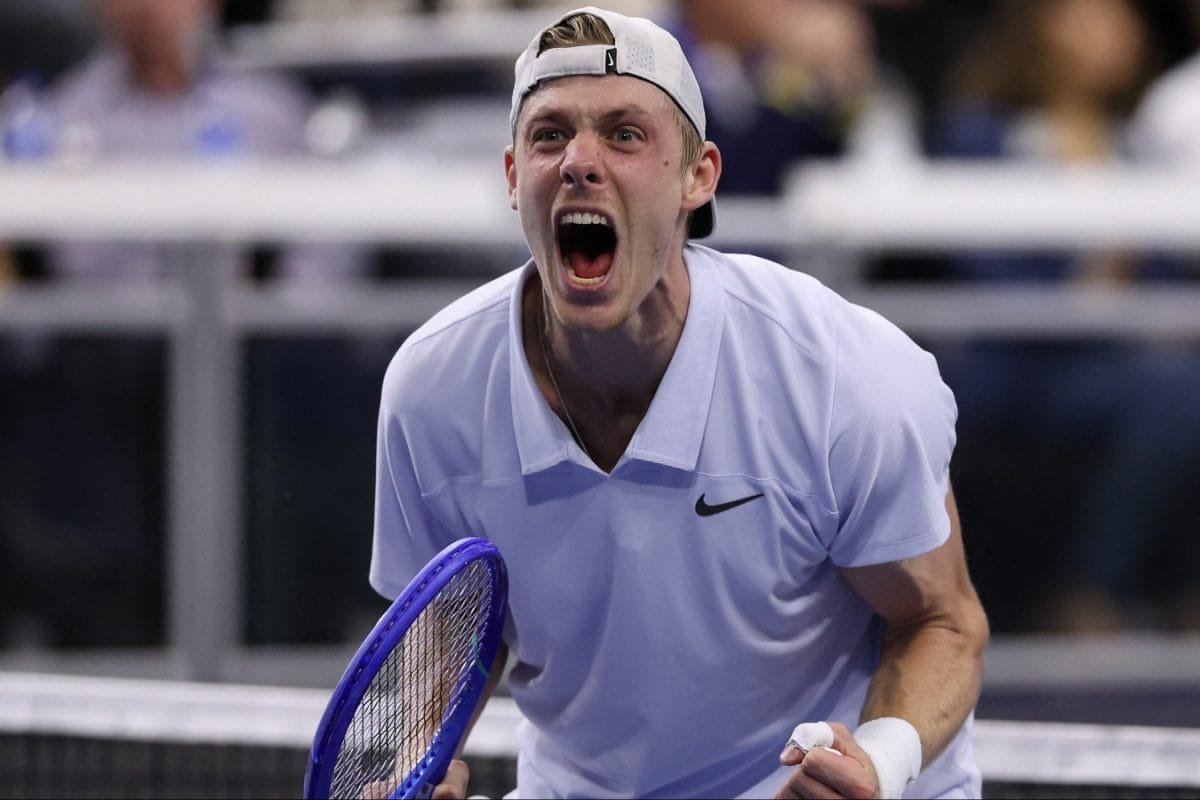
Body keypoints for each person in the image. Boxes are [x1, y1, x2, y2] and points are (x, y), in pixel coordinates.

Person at [369, 7, 988, 798]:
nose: (580, 162)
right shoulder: (431, 390)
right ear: (515, 175)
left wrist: (879, 762)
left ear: (698, 177)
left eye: (626, 135)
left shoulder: (845, 377)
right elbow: (454, 633)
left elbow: (942, 622)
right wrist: (416, 764)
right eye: (551, 135)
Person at [929, 0, 1200, 633]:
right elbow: (987, 273)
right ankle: (1092, 586)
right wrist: (1096, 277)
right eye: (1091, 18)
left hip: (1112, 358)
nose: (1117, 37)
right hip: (1016, 360)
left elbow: (1160, 268)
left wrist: (1123, 274)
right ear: (1040, 30)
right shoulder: (982, 131)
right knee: (1175, 391)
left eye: (1122, 21)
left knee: (1177, 385)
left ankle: (1177, 588)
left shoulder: (1125, 139)